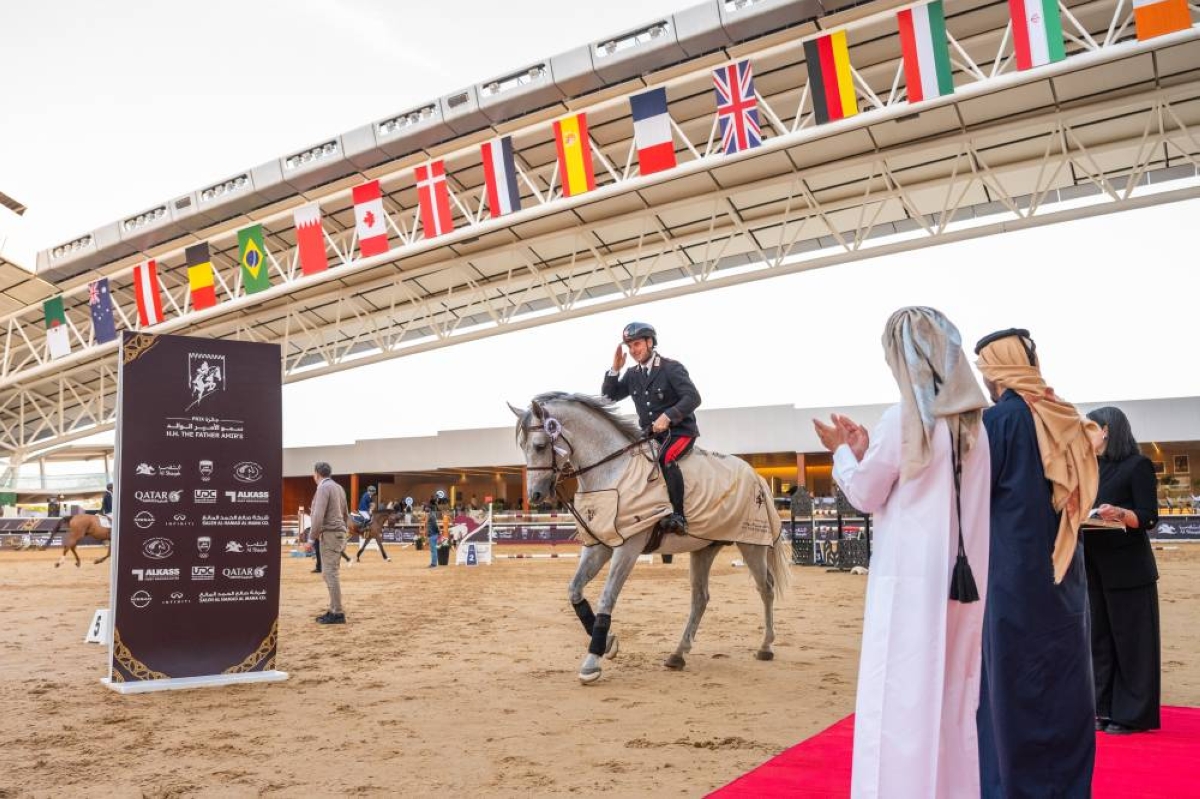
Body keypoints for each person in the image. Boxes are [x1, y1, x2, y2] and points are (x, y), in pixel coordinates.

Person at [813, 307, 991, 799]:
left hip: (911, 582)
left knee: (898, 697)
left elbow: (866, 494)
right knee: (954, 699)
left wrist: (843, 452)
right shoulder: (976, 427)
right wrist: (869, 446)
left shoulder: (905, 418)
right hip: (965, 584)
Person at [974, 328, 1101, 797]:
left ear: (996, 367)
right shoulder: (1065, 417)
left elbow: (971, 501)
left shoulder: (997, 423)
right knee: (1066, 690)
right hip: (1065, 578)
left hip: (1013, 582)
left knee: (1012, 693)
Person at [1084, 406, 1161, 735]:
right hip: (1093, 566)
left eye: (1089, 428)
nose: (1085, 435)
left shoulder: (1138, 465)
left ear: (1107, 430)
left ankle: (1133, 714)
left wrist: (1120, 514)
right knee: (1099, 640)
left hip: (1129, 569)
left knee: (1132, 644)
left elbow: (1148, 517)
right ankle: (1103, 708)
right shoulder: (1090, 469)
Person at [601, 321, 701, 534]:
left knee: (666, 459)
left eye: (637, 344)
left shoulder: (670, 367)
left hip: (679, 432)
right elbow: (608, 398)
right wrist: (615, 370)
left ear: (650, 342)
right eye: (630, 346)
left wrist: (669, 416)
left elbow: (693, 397)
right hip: (650, 435)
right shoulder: (632, 374)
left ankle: (679, 516)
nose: (633, 350)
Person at [310, 462, 350, 624]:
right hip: (338, 532)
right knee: (330, 573)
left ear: (317, 474)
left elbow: (318, 515)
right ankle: (334, 609)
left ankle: (337, 612)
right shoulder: (338, 487)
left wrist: (311, 537)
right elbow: (346, 512)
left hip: (330, 534)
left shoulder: (323, 488)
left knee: (330, 573)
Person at [425, 504, 441, 568]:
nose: (426, 509)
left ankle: (434, 564)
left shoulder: (431, 516)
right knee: (433, 550)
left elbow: (435, 525)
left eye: (427, 508)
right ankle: (433, 563)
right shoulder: (431, 515)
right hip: (432, 534)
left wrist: (438, 532)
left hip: (433, 534)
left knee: (433, 550)